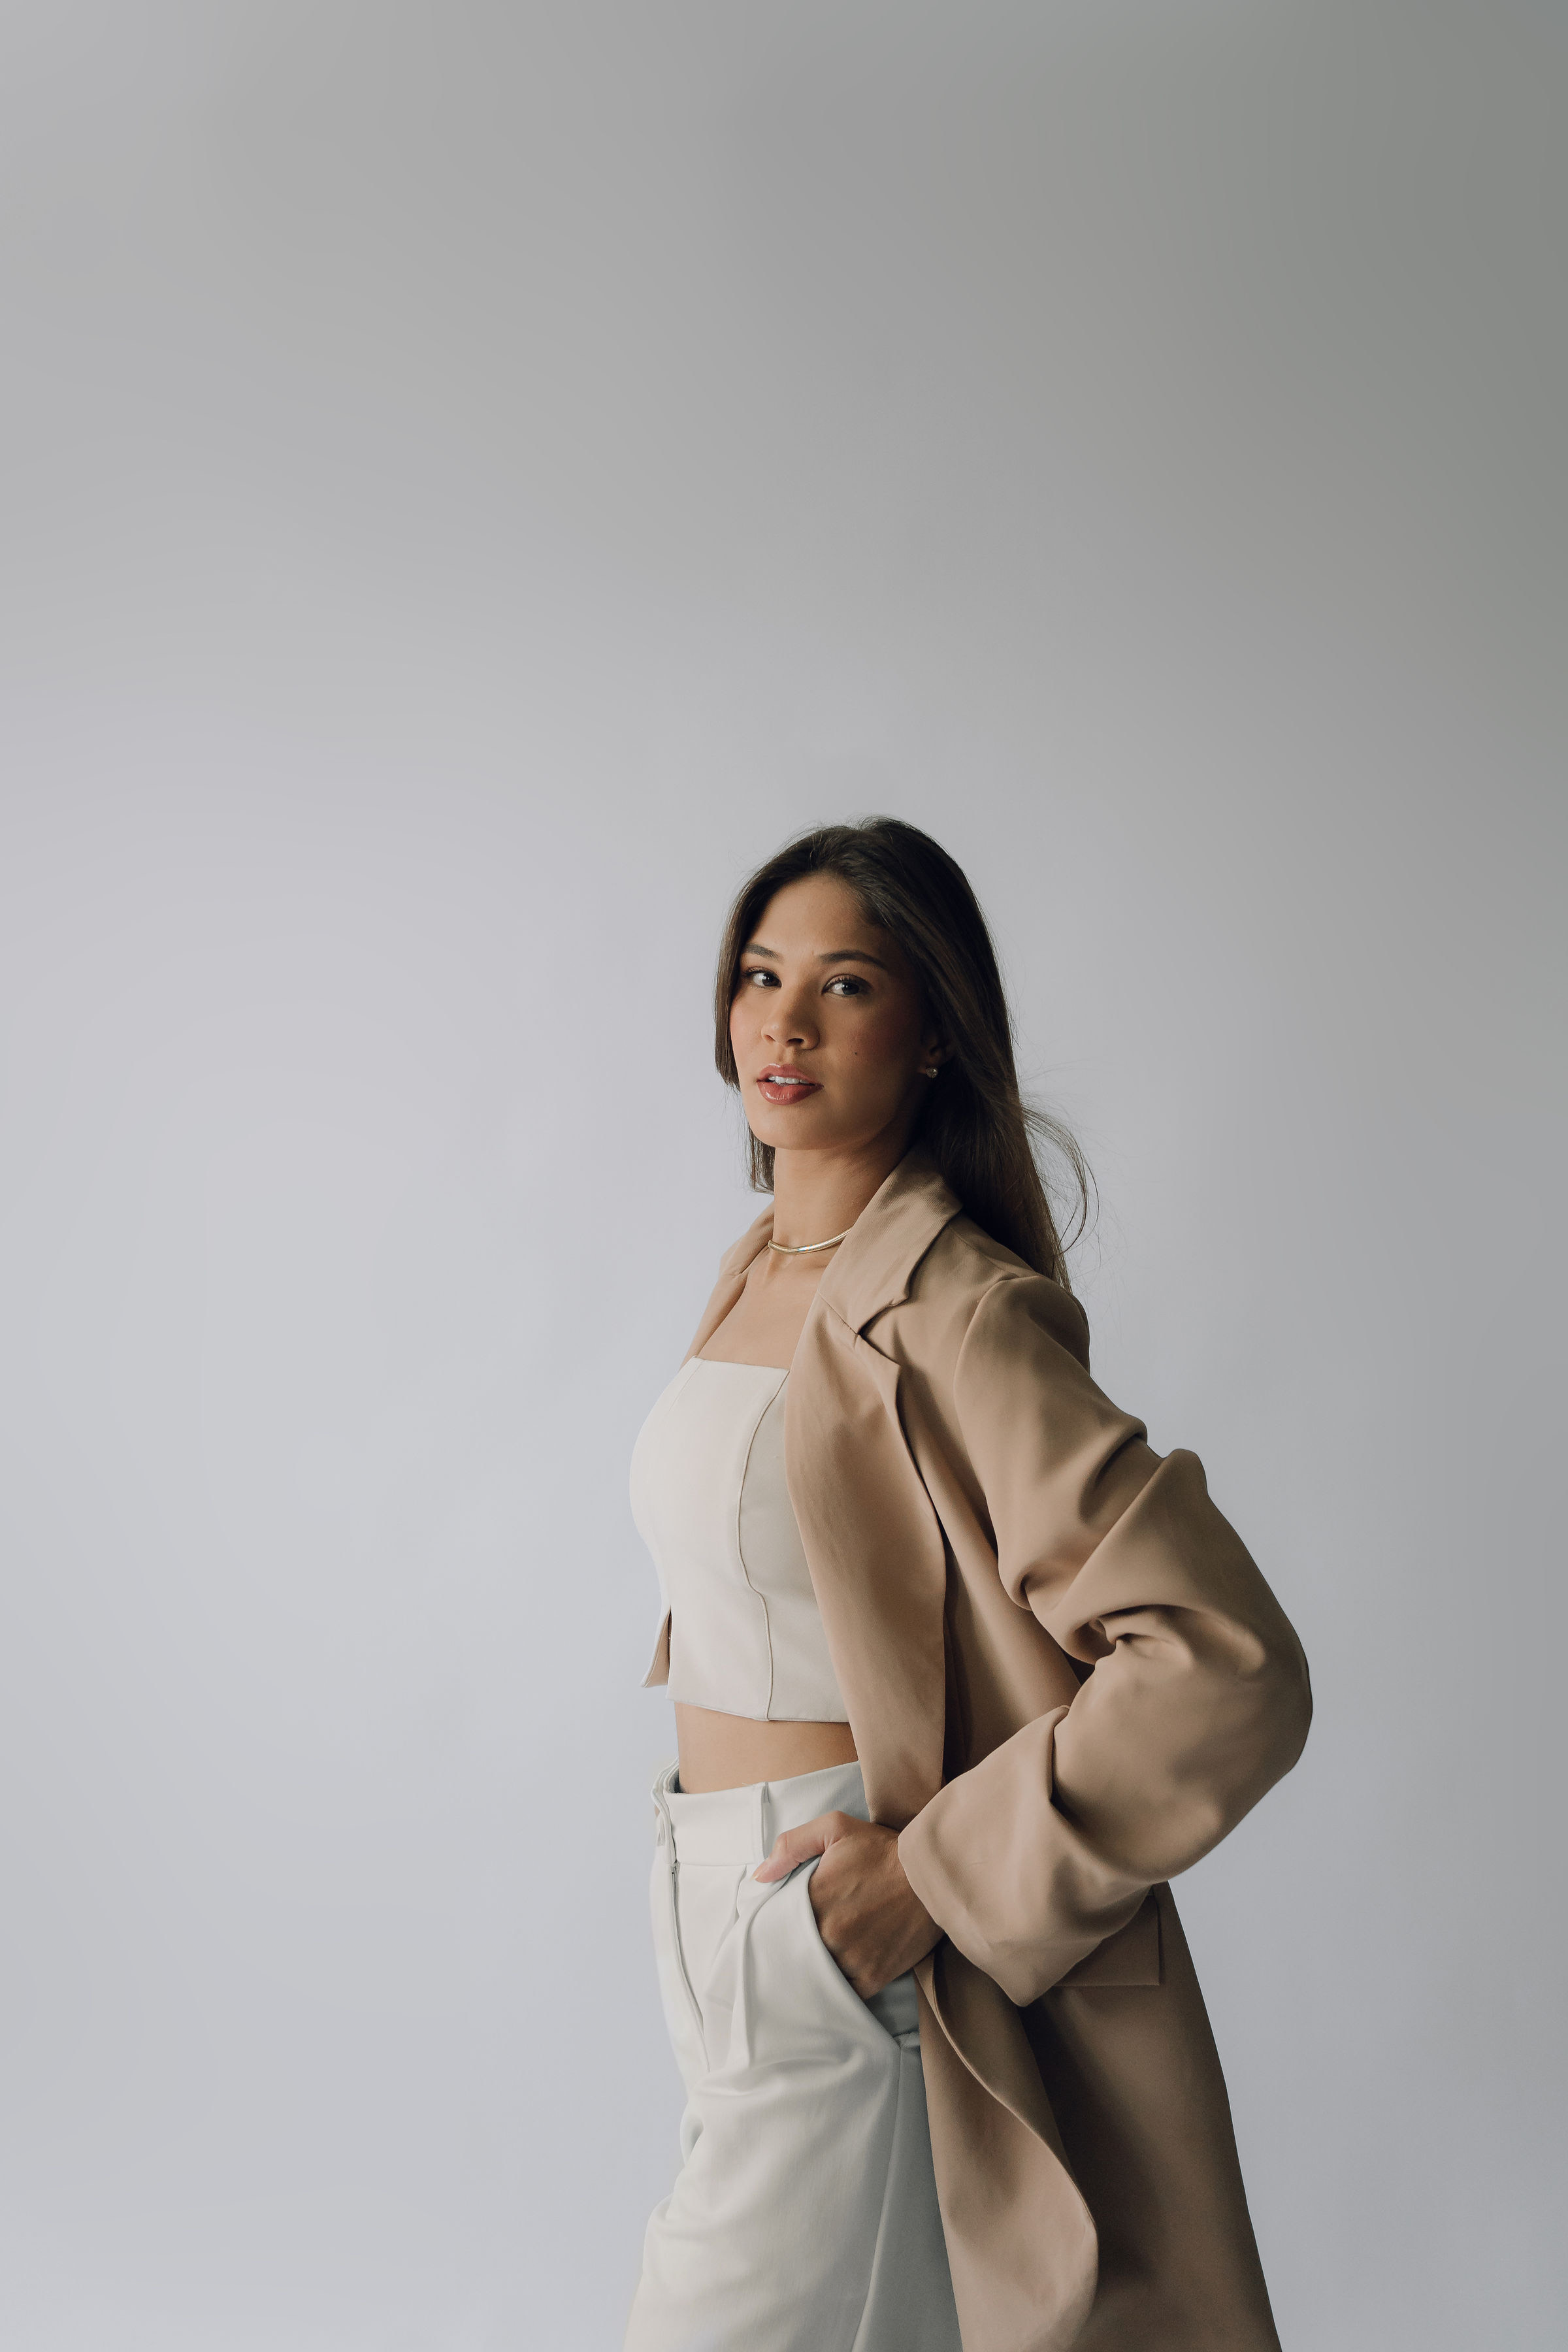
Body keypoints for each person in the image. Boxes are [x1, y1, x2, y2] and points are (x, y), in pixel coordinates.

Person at [622, 818, 1311, 2352]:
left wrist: (929, 1878)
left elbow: (1225, 1662)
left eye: (847, 984)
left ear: (934, 1034)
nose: (785, 1023)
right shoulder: (760, 1268)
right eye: (760, 975)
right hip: (714, 1907)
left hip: (841, 1927)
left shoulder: (956, 1309)